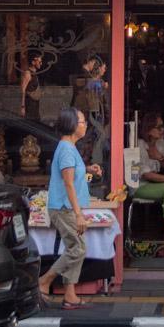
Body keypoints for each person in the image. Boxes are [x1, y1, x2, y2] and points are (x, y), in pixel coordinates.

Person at [39, 108, 102, 310]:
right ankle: (44, 281)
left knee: (76, 248)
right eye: (82, 121)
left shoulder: (69, 147)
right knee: (78, 248)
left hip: (68, 207)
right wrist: (78, 214)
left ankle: (70, 294)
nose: (85, 125)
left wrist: (88, 168)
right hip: (64, 208)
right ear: (72, 125)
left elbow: (72, 174)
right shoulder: (66, 149)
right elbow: (68, 184)